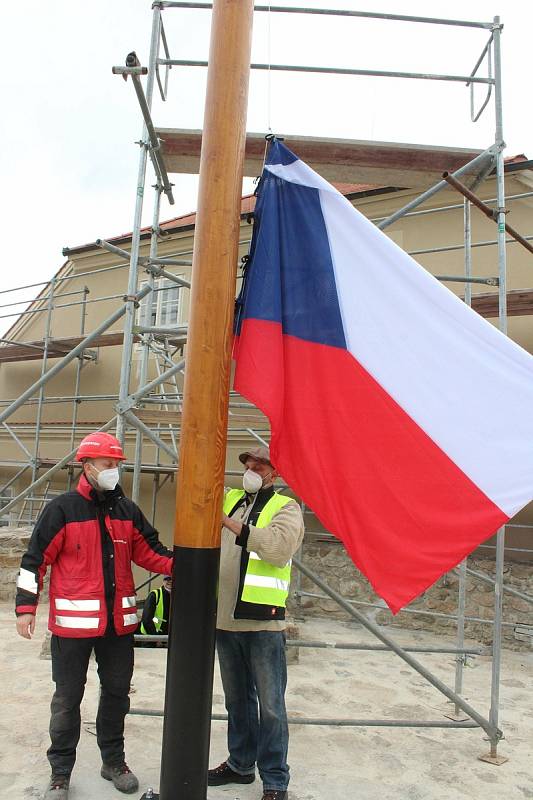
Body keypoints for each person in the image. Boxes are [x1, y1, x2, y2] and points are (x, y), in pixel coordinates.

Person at [14, 431, 173, 800]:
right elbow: (34, 560)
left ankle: (113, 762)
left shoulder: (126, 510)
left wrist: (184, 566)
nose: (114, 470)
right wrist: (25, 607)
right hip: (72, 629)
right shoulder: (62, 510)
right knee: (68, 699)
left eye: (117, 464)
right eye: (108, 464)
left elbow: (150, 551)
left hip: (118, 627)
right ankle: (60, 773)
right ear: (86, 466)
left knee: (117, 694)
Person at [208, 445, 304, 800]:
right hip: (225, 621)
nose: (250, 468)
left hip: (263, 624)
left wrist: (230, 524)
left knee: (272, 708)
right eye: (247, 463)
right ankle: (240, 764)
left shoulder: (286, 507)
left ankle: (276, 780)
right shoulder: (232, 498)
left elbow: (278, 549)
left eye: (259, 465)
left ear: (274, 473)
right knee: (238, 703)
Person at [137, 575, 172, 643]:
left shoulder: (179, 596)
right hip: (150, 639)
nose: (170, 581)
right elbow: (147, 619)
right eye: (167, 579)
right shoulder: (155, 595)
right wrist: (156, 639)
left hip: (167, 640)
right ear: (163, 581)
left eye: (172, 578)